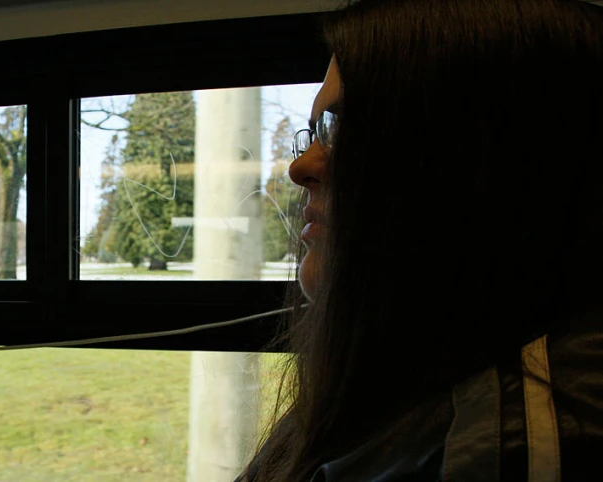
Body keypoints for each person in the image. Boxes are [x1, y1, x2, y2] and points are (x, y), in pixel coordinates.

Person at [239, 0, 603, 480]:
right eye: (314, 133)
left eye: (344, 129)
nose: (300, 167)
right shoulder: (412, 384)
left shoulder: (520, 442)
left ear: (478, 161)